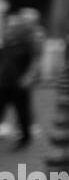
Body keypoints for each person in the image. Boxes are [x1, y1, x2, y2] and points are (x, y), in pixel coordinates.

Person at [0, 10, 39, 149]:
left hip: (19, 83)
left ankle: (25, 137)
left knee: (22, 112)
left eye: (13, 25)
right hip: (4, 81)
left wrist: (28, 77)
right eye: (9, 25)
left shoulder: (28, 42)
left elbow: (35, 61)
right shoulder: (7, 42)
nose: (10, 27)